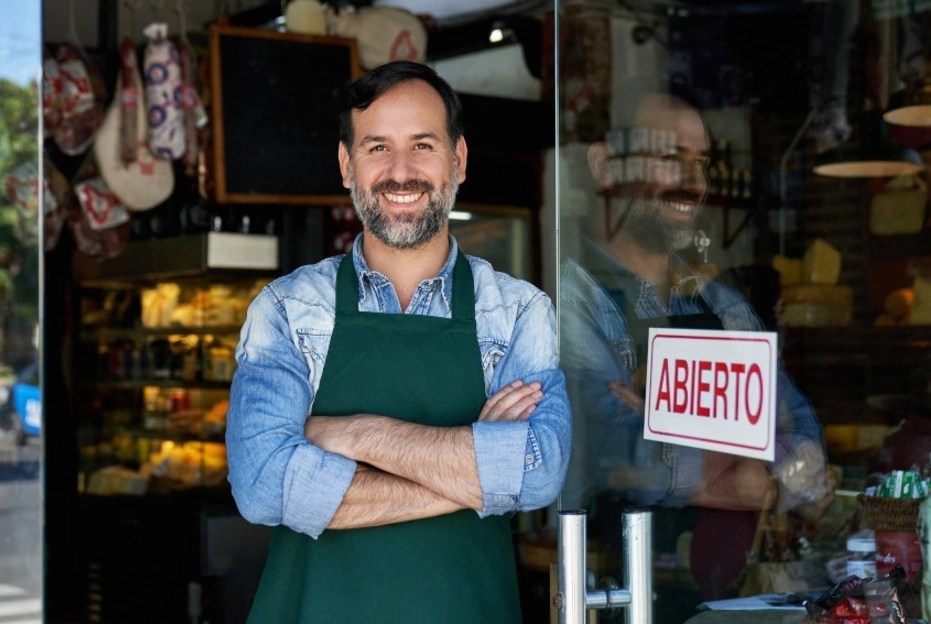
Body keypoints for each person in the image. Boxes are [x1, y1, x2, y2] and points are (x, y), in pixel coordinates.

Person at [225, 61, 572, 623]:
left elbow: (537, 473)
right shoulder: (289, 310)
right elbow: (264, 486)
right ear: (347, 165)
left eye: (423, 145)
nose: (401, 171)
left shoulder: (516, 312)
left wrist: (354, 434)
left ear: (457, 160)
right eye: (377, 147)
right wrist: (478, 479)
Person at [558, 75, 834, 601]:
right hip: (619, 594)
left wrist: (667, 425)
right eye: (670, 157)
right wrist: (755, 463)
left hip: (730, 600)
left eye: (701, 162)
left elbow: (803, 440)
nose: (694, 181)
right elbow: (618, 458)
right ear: (605, 166)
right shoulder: (570, 302)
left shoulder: (721, 305)